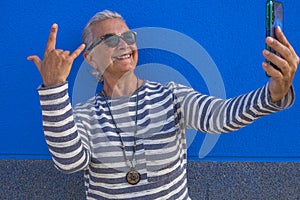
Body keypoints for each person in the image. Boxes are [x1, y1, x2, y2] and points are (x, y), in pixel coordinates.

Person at [27, 10, 298, 200]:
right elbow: (69, 163)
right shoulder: (84, 116)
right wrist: (53, 89)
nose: (124, 44)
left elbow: (220, 117)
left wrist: (273, 92)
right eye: (110, 39)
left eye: (128, 36)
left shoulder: (171, 96)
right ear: (90, 58)